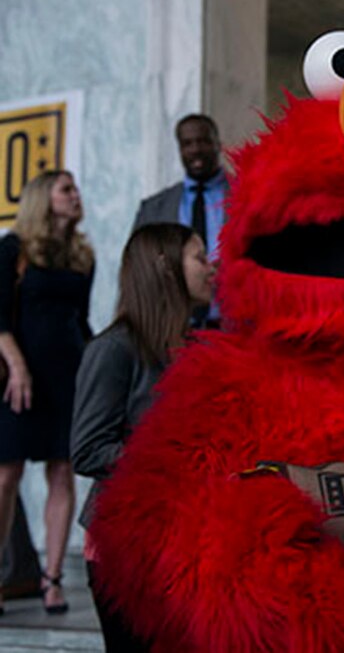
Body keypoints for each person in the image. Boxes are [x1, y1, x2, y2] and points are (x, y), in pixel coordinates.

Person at [71, 223, 213, 650]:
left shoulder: (197, 347)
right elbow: (89, 450)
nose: (212, 267)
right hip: (127, 548)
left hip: (185, 539)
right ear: (166, 267)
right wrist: (176, 458)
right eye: (200, 257)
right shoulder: (114, 350)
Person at [0, 170, 94, 615]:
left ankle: (52, 580)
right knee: (5, 476)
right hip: (19, 378)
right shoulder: (12, 249)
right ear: (44, 198)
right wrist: (17, 367)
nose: (75, 196)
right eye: (66, 189)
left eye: (74, 189)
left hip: (68, 376)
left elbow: (82, 321)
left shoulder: (82, 254)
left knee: (62, 472)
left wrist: (97, 373)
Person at [133, 114, 226, 326]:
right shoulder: (153, 209)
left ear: (218, 144)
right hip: (171, 329)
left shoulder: (247, 196)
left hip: (233, 327)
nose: (195, 149)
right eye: (187, 143)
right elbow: (138, 271)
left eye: (203, 141)